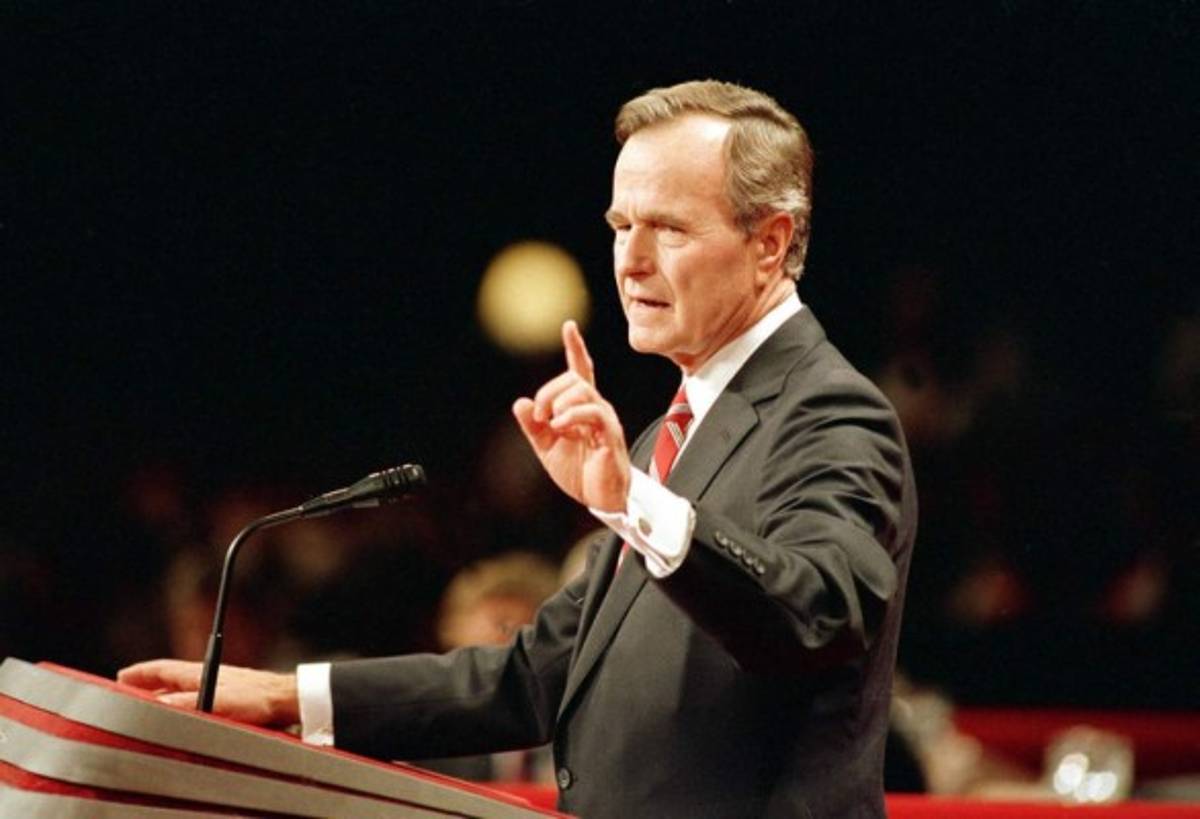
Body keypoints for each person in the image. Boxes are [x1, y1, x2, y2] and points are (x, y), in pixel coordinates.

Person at [120, 79, 917, 818]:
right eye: (621, 226)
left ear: (770, 243)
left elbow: (818, 613)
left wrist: (631, 499)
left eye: (669, 228)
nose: (631, 260)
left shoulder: (832, 412)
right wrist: (283, 696)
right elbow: (536, 672)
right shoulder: (669, 435)